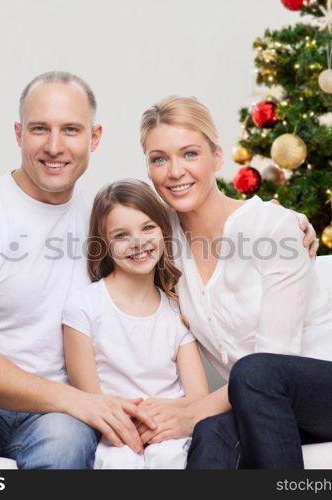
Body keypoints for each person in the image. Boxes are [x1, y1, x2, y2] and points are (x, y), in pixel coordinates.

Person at [0, 71, 317, 469]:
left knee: (63, 441)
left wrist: (287, 223)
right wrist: (80, 401)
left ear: (94, 138)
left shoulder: (110, 220)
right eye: (40, 128)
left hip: (59, 418)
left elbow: (195, 223)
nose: (54, 146)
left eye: (71, 130)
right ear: (19, 134)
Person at [133, 96, 332, 469]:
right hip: (265, 402)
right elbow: (111, 224)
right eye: (159, 159)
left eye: (190, 154)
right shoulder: (163, 246)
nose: (175, 171)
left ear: (217, 157)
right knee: (212, 434)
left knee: (255, 369)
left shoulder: (271, 228)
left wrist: (190, 412)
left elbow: (275, 356)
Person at [62, 179, 209, 468]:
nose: (138, 243)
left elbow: (198, 398)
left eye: (148, 228)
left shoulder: (177, 308)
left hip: (169, 430)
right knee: (120, 463)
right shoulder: (83, 306)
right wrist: (132, 422)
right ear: (103, 244)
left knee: (170, 458)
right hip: (112, 432)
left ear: (163, 232)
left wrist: (160, 418)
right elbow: (90, 399)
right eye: (121, 235)